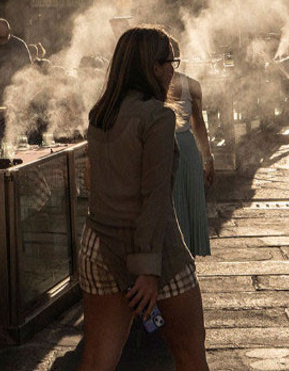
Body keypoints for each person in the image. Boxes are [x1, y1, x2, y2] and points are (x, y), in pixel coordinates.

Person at [80, 26, 207, 371]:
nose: (173, 70)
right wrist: (149, 271)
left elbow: (94, 182)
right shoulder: (158, 117)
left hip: (97, 244)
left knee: (97, 358)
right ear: (153, 67)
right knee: (190, 355)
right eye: (170, 62)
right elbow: (154, 199)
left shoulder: (101, 113)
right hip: (153, 251)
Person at [168, 47, 213, 258]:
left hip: (185, 150)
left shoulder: (192, 86)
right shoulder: (147, 87)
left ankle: (187, 260)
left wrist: (208, 158)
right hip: (167, 148)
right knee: (173, 204)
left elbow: (199, 124)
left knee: (185, 203)